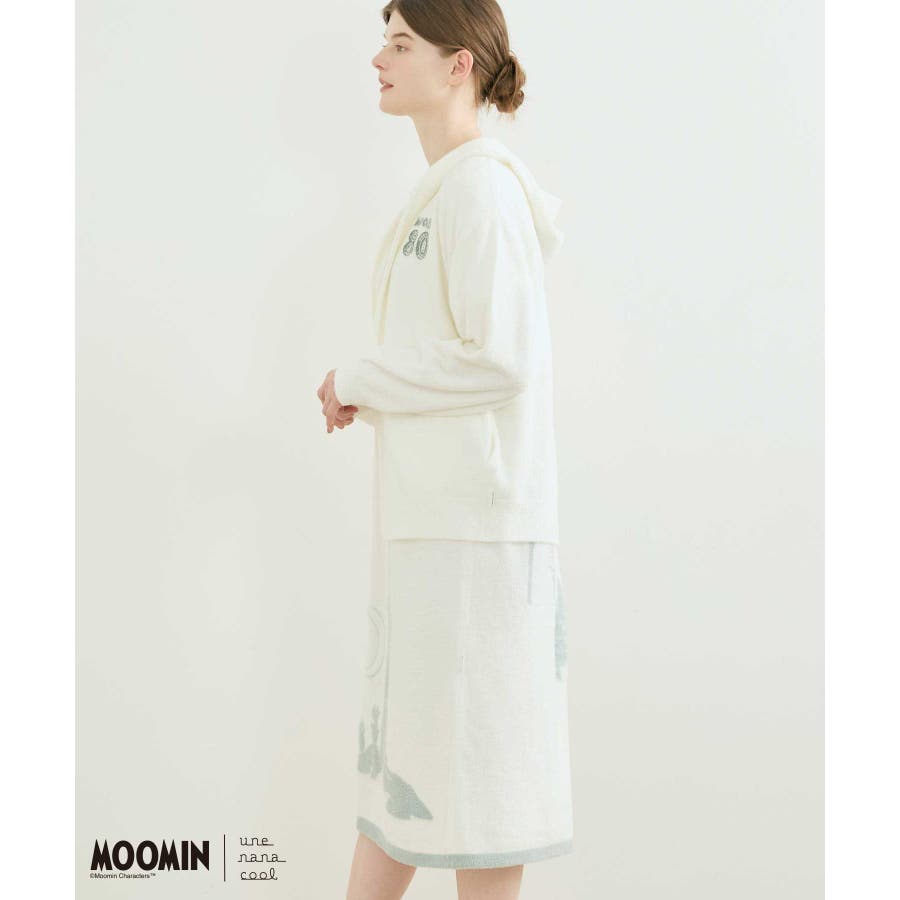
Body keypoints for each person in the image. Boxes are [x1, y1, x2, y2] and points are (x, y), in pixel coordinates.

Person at [315, 3, 573, 898]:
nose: (378, 59)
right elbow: (464, 361)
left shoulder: (481, 192)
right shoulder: (447, 190)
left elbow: (500, 359)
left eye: (400, 43)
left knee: (479, 806)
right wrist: (369, 387)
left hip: (477, 551)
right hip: (436, 537)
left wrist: (364, 377)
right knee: (410, 790)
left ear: (458, 64)